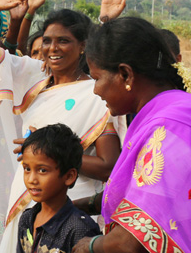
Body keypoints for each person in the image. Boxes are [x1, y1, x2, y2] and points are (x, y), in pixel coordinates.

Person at [0, 0, 124, 253]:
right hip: (26, 202)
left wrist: (49, 155)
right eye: (48, 41)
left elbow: (108, 166)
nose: (53, 49)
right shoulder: (33, 76)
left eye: (63, 41)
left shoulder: (96, 93)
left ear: (83, 46)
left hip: (70, 206)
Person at [72, 17, 191, 253]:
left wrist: (89, 246)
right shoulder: (167, 111)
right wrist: (77, 206)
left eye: (96, 78)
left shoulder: (168, 128)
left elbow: (131, 241)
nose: (95, 90)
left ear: (126, 75)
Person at [17, 123, 100, 253]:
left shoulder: (80, 229)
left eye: (42, 170)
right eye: (27, 169)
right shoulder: (27, 219)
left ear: (69, 176)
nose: (31, 179)